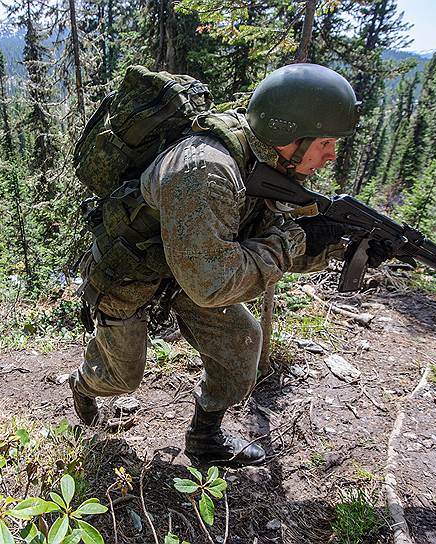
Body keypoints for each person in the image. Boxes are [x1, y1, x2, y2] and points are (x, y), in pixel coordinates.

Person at [69, 63, 390, 466]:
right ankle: (82, 385)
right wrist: (297, 239)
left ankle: (205, 437)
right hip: (130, 275)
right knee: (121, 378)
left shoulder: (265, 161)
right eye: (326, 143)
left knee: (241, 340)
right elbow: (214, 284)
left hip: (189, 267)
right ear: (290, 135)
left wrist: (337, 245)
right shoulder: (205, 172)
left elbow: (264, 242)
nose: (331, 156)